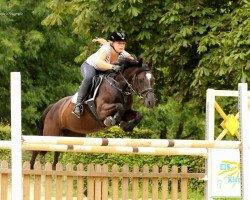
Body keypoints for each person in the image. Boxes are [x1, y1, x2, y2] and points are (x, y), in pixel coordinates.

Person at [72, 31, 134, 118]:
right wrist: (112, 67)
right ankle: (78, 105)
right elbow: (98, 63)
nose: (122, 46)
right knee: (89, 77)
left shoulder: (123, 53)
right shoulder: (105, 49)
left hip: (105, 70)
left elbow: (133, 61)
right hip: (91, 66)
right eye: (119, 43)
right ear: (112, 43)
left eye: (123, 43)